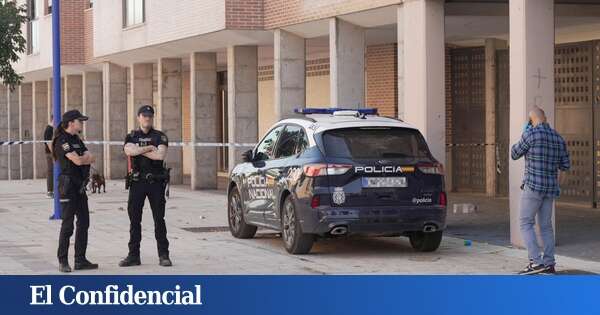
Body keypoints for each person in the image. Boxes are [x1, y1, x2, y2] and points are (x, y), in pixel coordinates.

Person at [511, 106, 570, 275]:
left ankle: (536, 262)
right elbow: (565, 166)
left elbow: (514, 154)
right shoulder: (558, 138)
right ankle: (549, 264)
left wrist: (525, 132)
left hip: (533, 188)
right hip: (550, 189)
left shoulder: (531, 134)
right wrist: (557, 185)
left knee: (525, 223)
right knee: (546, 227)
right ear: (545, 118)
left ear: (532, 120)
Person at [119, 105, 172, 267]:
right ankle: (133, 255)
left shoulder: (160, 136)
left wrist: (139, 150)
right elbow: (129, 151)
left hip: (156, 182)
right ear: (138, 117)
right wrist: (149, 148)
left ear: (152, 117)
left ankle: (164, 255)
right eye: (144, 115)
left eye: (149, 115)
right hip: (137, 182)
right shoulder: (132, 135)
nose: (147, 118)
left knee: (159, 220)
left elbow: (160, 155)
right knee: (134, 220)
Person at [52, 110, 98, 273]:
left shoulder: (76, 139)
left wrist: (84, 158)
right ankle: (63, 260)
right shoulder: (61, 140)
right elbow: (79, 159)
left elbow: (91, 157)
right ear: (71, 122)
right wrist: (83, 158)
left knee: (84, 222)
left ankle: (80, 259)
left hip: (79, 187)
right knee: (68, 225)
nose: (82, 123)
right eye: (80, 121)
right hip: (68, 186)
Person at [44, 116, 54, 198]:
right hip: (50, 154)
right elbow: (48, 143)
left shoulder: (51, 129)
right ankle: (50, 191)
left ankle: (52, 190)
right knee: (50, 172)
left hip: (51, 153)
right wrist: (54, 153)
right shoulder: (49, 129)